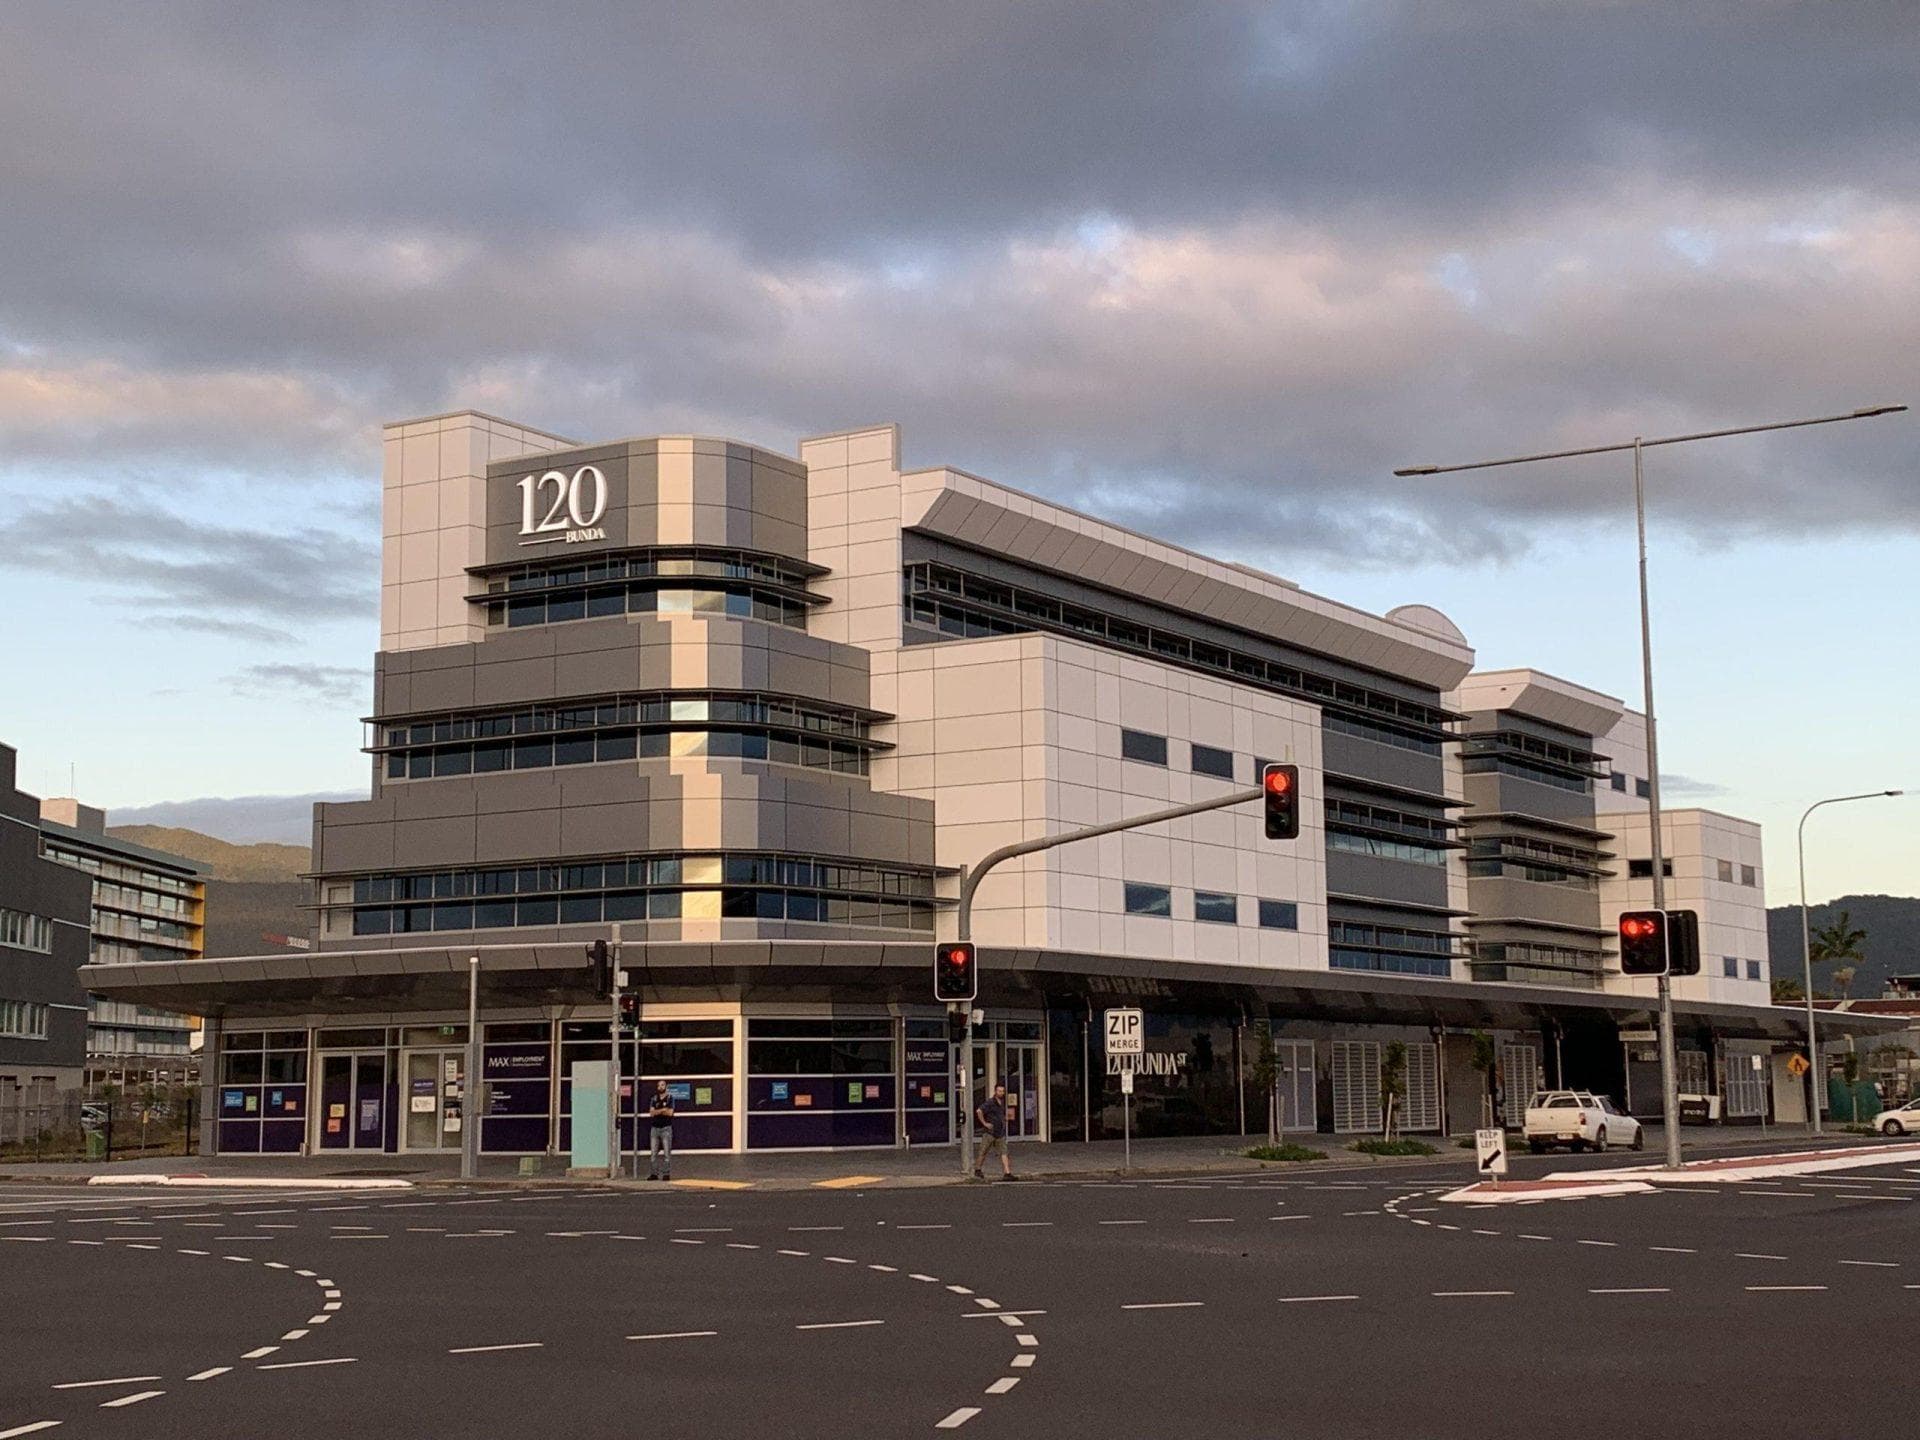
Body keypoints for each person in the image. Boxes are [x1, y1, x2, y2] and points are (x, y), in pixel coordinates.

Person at [973, 1082, 1013, 1181]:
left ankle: (1007, 1173)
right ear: (995, 1091)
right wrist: (985, 1123)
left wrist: (1004, 1119)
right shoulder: (990, 1102)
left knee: (1004, 1152)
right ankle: (977, 1169)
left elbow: (1001, 1114)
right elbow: (979, 1111)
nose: (1001, 1093)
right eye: (999, 1091)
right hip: (990, 1133)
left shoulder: (1002, 1102)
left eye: (1002, 1091)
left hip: (1000, 1133)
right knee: (983, 1151)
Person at [647, 1079, 675, 1181]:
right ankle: (654, 1174)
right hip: (655, 1129)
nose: (660, 1087)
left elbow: (670, 1113)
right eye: (659, 1085)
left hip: (666, 1128)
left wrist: (657, 1111)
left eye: (662, 1085)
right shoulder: (654, 1098)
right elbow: (651, 1113)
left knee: (667, 1153)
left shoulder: (670, 1098)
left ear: (666, 1087)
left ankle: (666, 1174)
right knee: (653, 1153)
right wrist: (663, 1110)